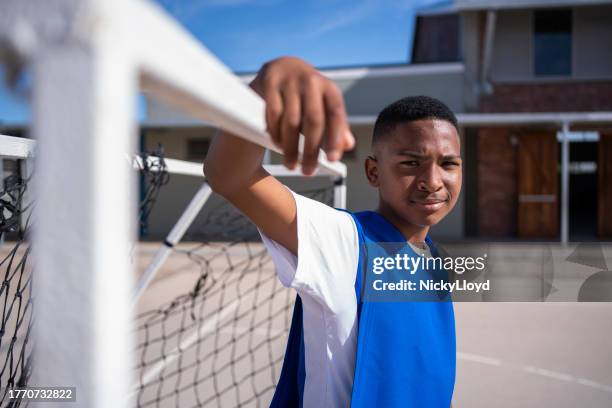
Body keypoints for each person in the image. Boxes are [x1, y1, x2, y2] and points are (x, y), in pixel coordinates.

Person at [204, 56, 460, 408]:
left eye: (448, 164)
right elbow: (230, 177)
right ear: (373, 172)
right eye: (410, 163)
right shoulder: (344, 240)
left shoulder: (434, 260)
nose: (433, 181)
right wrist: (266, 86)